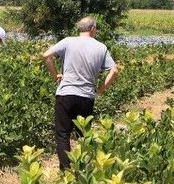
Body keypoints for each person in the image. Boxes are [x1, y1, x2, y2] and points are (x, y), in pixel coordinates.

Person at [42, 16, 119, 170]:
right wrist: (101, 88)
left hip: (66, 93)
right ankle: (82, 170)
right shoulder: (101, 47)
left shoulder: (68, 41)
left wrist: (55, 75)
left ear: (79, 28)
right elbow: (114, 70)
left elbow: (46, 56)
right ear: (93, 29)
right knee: (83, 135)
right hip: (87, 96)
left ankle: (66, 170)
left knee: (63, 134)